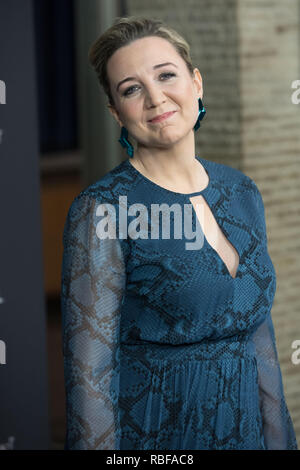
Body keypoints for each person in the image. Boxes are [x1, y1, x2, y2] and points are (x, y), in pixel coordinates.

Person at [60, 16, 298, 450]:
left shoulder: (241, 190)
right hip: (158, 435)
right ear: (115, 111)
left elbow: (260, 340)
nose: (155, 98)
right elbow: (88, 379)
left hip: (245, 434)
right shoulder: (104, 209)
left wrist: (280, 441)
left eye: (166, 75)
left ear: (196, 83)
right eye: (131, 89)